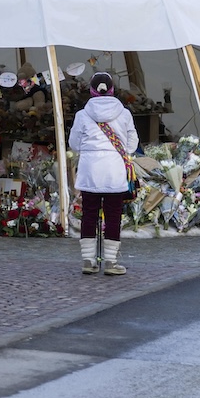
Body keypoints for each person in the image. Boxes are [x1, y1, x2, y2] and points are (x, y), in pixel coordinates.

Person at [69, 71, 138, 277]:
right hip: (114, 171)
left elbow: (74, 144)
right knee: (113, 216)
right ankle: (110, 261)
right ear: (112, 90)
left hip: (90, 171)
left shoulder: (82, 115)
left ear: (91, 90)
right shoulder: (124, 114)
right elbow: (132, 144)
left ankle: (88, 261)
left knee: (89, 215)